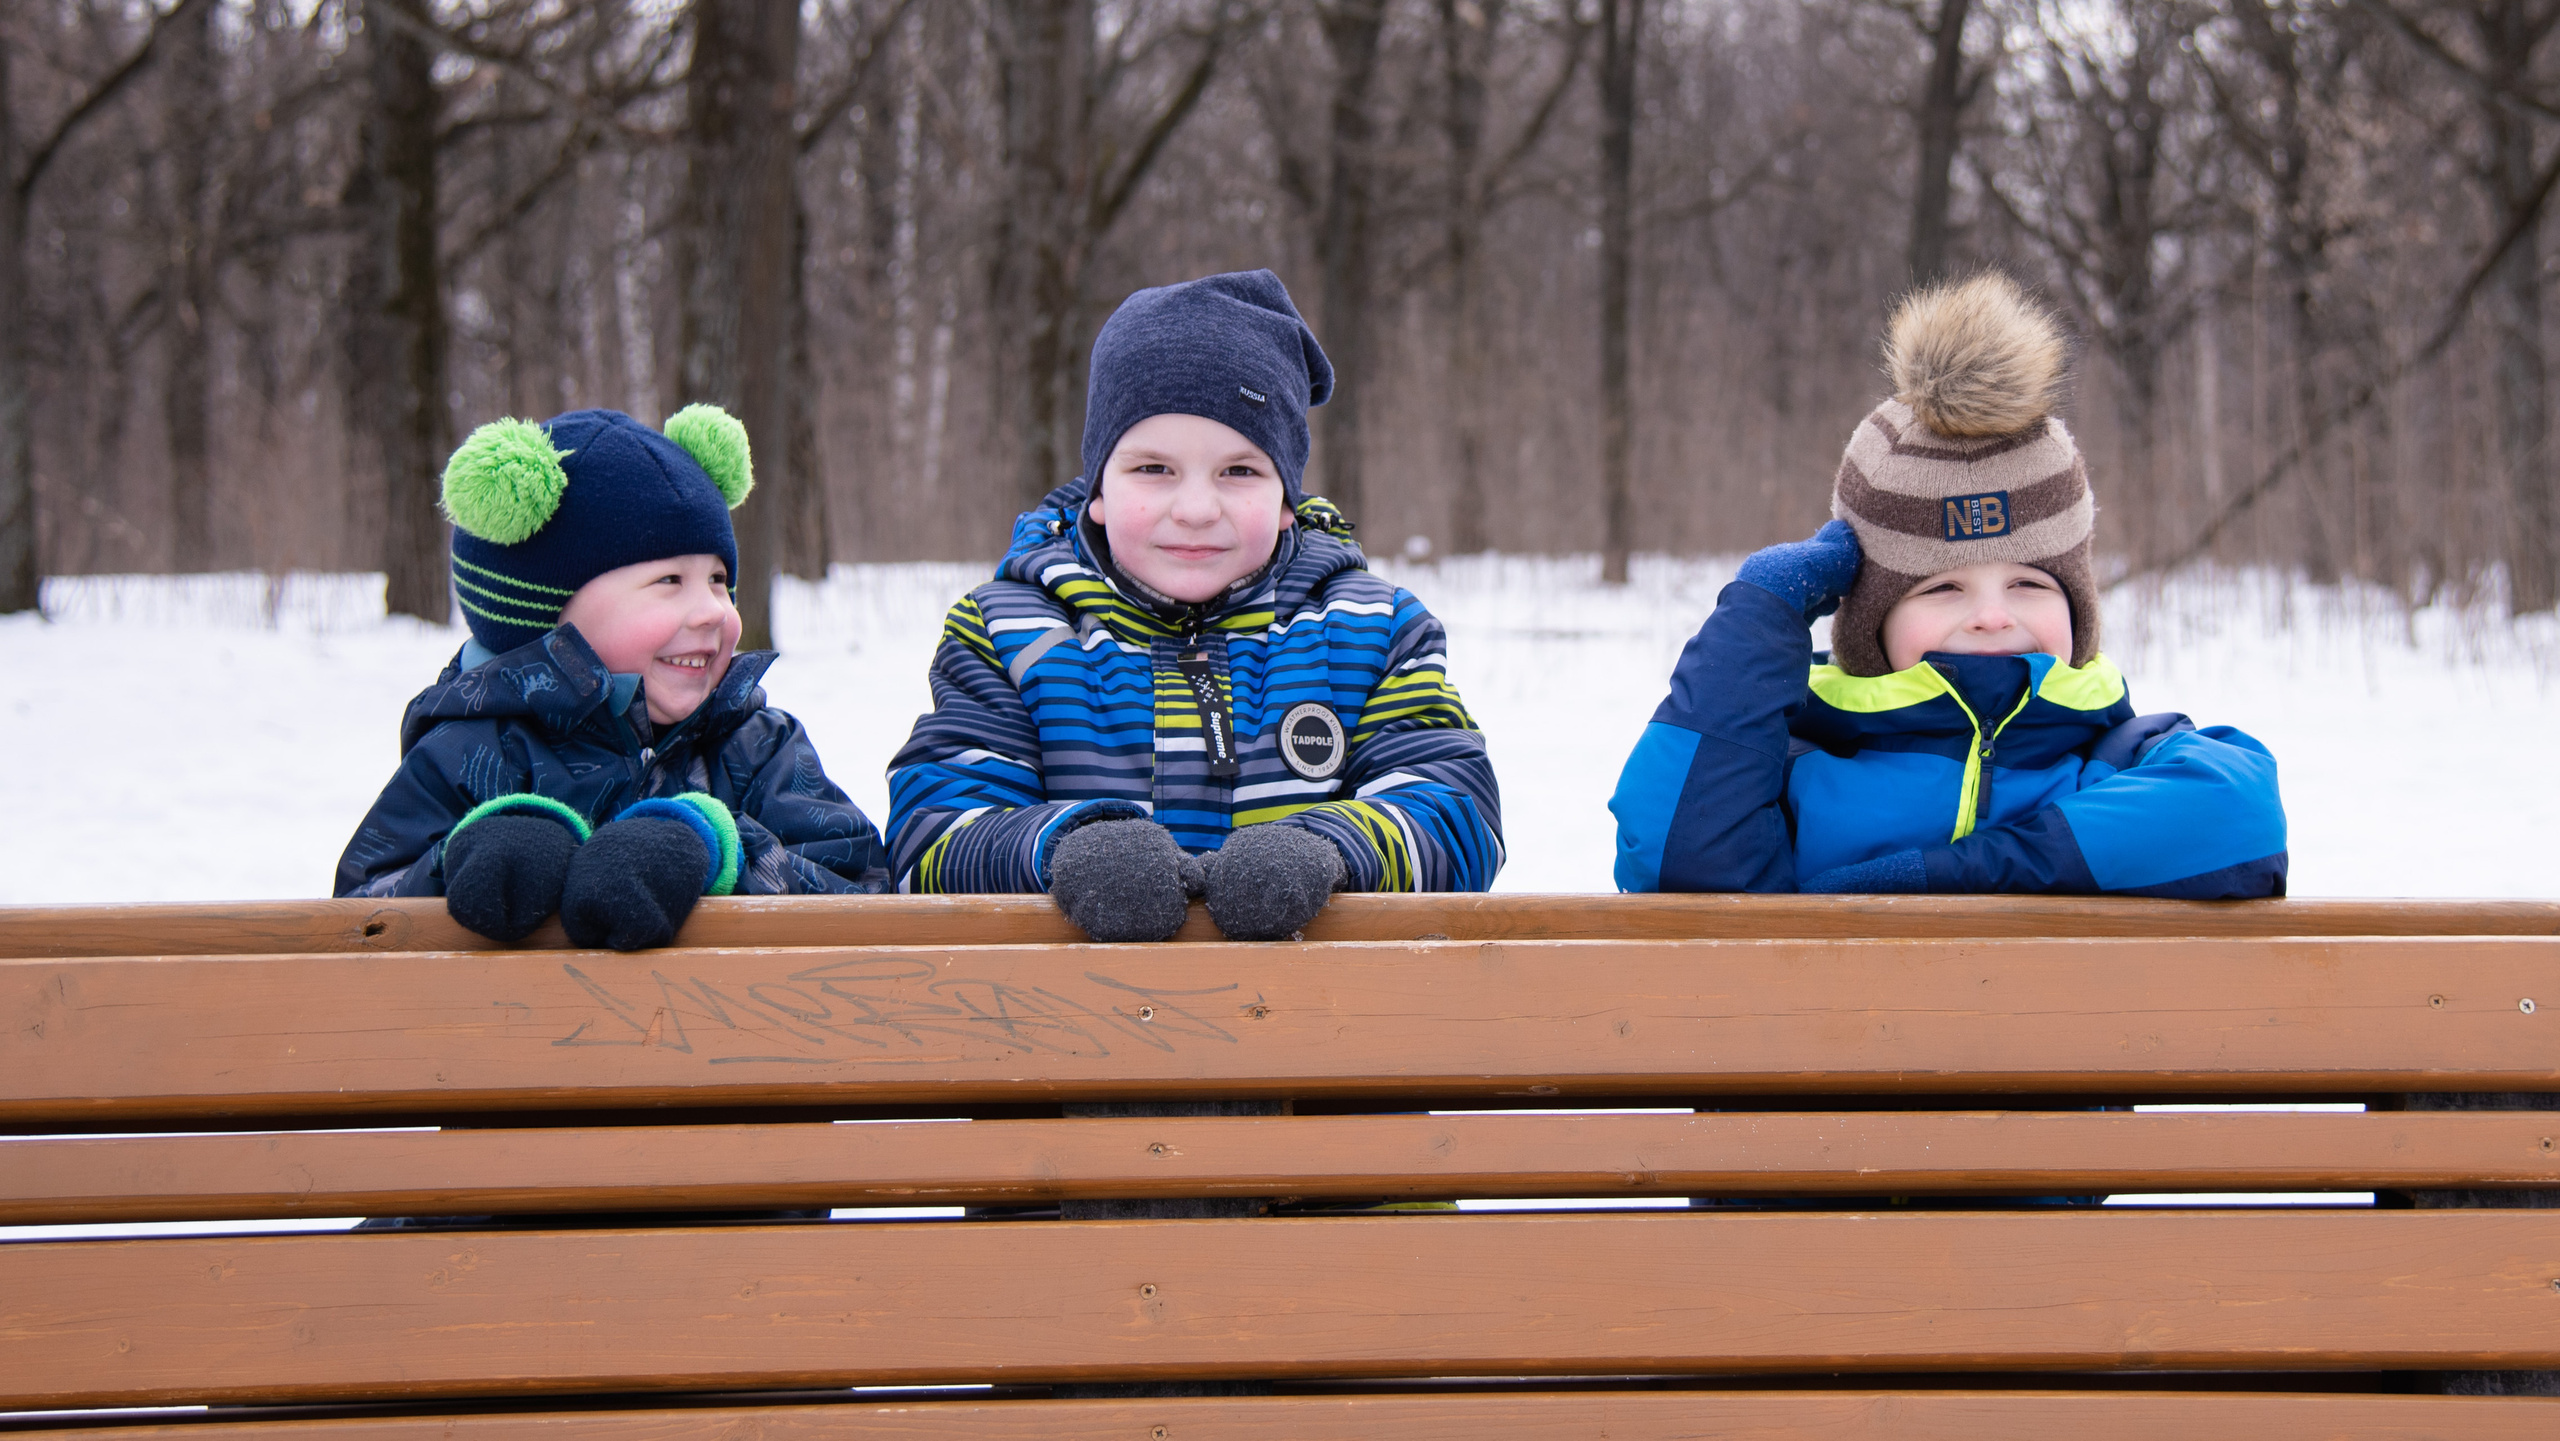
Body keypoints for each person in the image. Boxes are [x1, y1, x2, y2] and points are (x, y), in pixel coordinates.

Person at [1610, 271, 2286, 898]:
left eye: (2029, 583)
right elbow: (1676, 864)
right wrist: (1756, 621)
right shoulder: (1797, 766)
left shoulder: (2114, 761)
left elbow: (2241, 811)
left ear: (2078, 606)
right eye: (1943, 589)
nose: (1992, 616)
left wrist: (1954, 877)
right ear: (1871, 617)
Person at [888, 269, 1502, 940]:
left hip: (1316, 1026)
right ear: (1097, 489)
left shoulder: (1367, 631)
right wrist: (1065, 848)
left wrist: (1328, 848)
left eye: (1239, 471)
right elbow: (930, 840)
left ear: (1286, 499)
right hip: (1075, 1028)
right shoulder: (1010, 633)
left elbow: (1457, 811)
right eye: (1154, 469)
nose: (1196, 508)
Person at [336, 405, 890, 950]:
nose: (713, 612)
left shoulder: (758, 746)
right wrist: (472, 854)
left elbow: (862, 890)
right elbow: (362, 918)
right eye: (670, 580)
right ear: (545, 614)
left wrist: (713, 847)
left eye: (719, 580)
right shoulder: (469, 751)